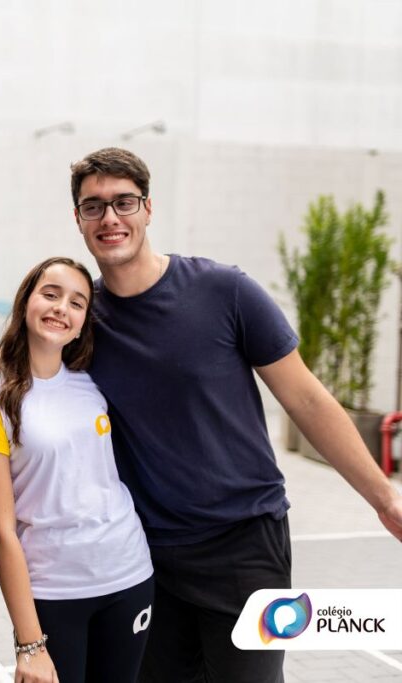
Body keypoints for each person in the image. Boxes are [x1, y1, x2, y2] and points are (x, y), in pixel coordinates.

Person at [70, 147, 402, 683]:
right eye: (93, 206)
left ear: (148, 209)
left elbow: (308, 400)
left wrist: (384, 498)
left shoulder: (223, 291)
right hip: (144, 556)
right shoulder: (83, 322)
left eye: (123, 202)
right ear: (79, 219)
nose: (110, 217)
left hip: (247, 547)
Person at [0, 256, 153, 683]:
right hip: (54, 590)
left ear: (84, 319)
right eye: (50, 294)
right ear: (26, 301)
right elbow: (0, 529)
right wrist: (29, 643)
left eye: (77, 303)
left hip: (128, 575)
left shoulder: (93, 382)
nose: (61, 309)